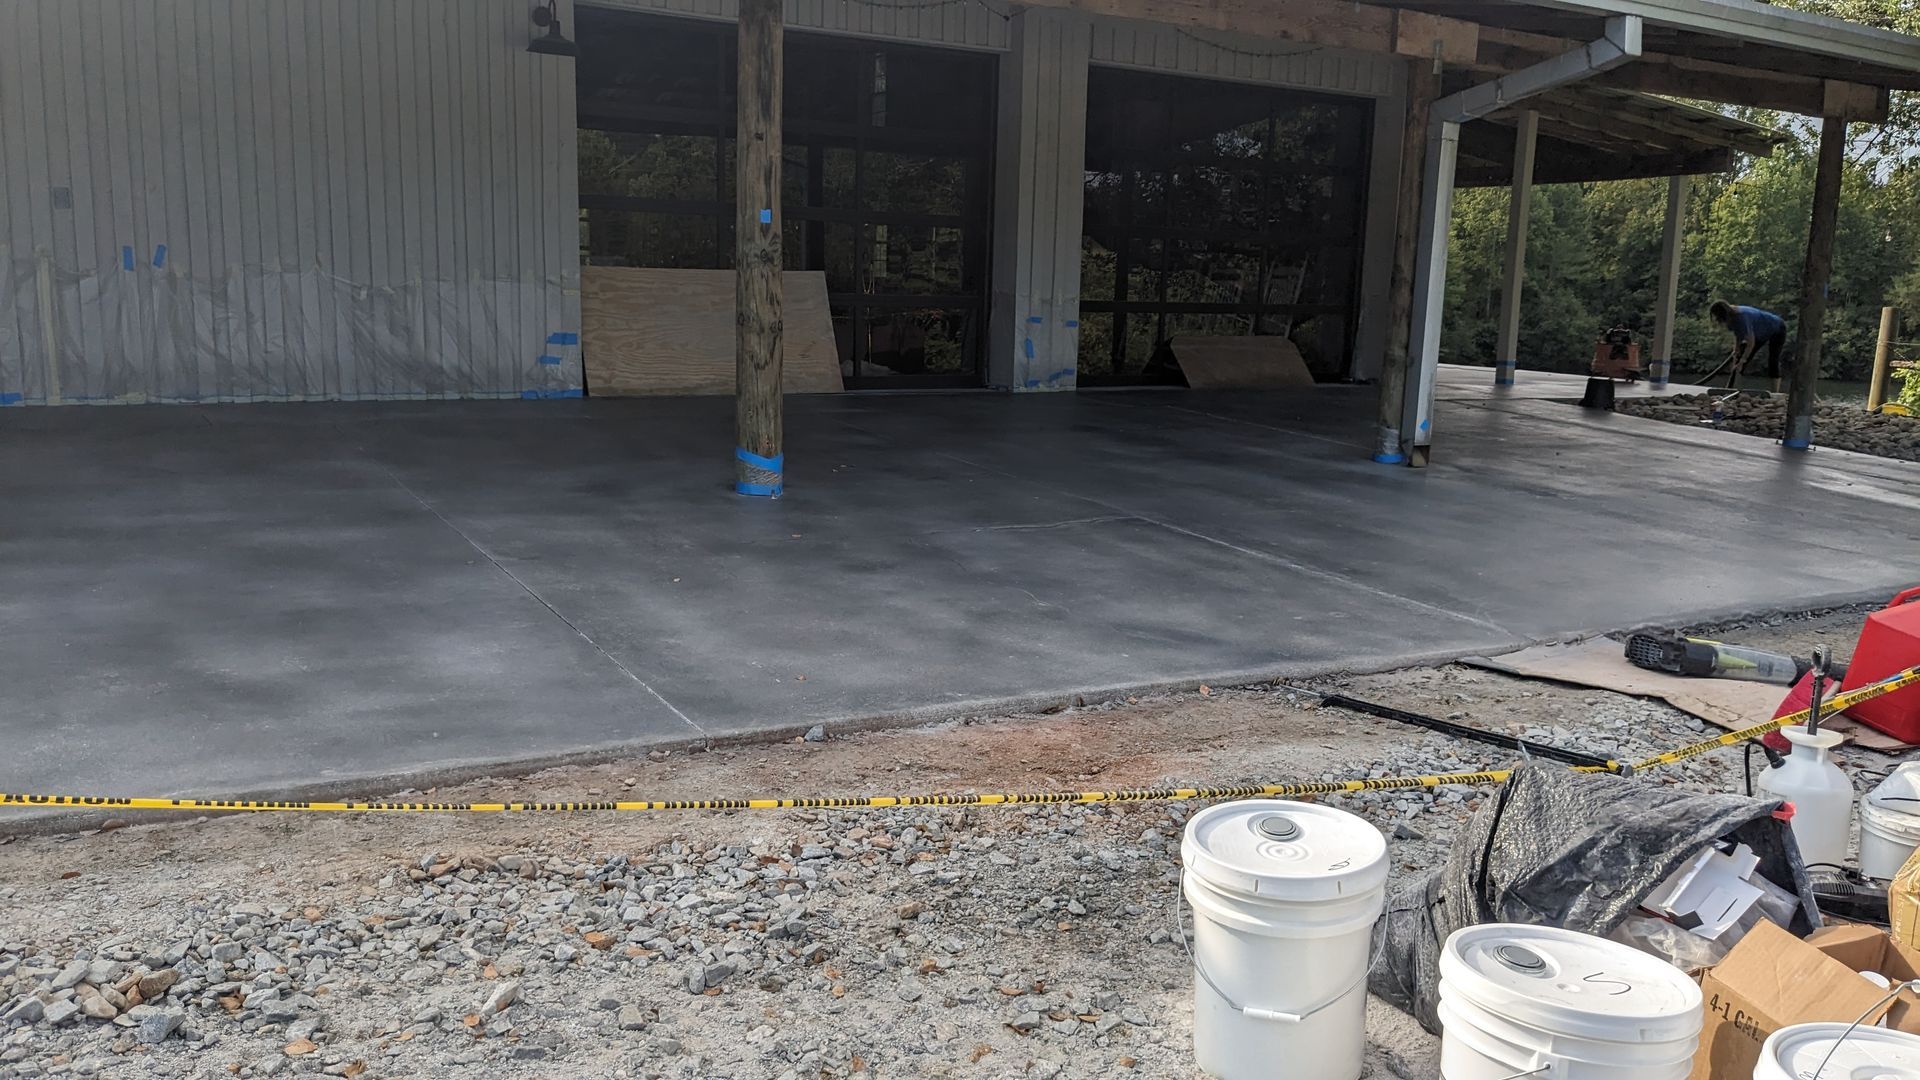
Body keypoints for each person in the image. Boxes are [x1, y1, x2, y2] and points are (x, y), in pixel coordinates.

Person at [1708, 300, 1789, 390]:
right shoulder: (1731, 317)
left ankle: (1775, 392)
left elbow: (1751, 342)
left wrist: (1743, 360)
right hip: (1759, 333)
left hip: (1777, 328)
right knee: (1738, 360)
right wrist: (1736, 350)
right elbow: (1738, 334)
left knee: (1773, 360)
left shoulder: (1741, 316)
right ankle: (1730, 388)